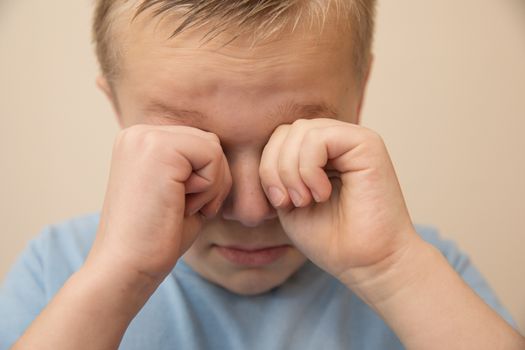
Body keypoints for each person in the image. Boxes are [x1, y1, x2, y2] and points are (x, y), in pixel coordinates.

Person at [1, 0, 524, 349]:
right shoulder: (58, 270)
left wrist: (392, 271)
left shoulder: (422, 272)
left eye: (291, 138)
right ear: (117, 110)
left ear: (359, 94)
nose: (251, 211)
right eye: (196, 150)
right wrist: (120, 279)